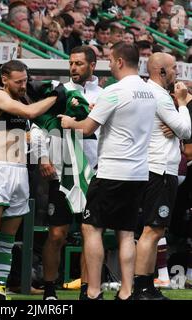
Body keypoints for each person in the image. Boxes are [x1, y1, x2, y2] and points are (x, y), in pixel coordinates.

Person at [58, 42, 157, 300]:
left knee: (91, 228)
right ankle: (126, 292)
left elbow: (87, 129)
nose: (109, 65)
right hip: (137, 174)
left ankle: (92, 291)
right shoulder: (149, 92)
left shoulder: (113, 91)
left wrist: (70, 122)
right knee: (125, 233)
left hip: (111, 171)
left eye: (111, 60)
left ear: (121, 61)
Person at [0, 60, 57, 293]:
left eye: (25, 81)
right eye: (18, 81)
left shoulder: (22, 101)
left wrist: (40, 154)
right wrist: (56, 96)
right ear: (4, 79)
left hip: (20, 173)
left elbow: (36, 129)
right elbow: (30, 112)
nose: (23, 86)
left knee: (7, 241)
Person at [30, 45, 103, 300]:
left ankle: (87, 289)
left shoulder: (105, 95)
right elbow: (39, 126)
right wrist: (42, 156)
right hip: (62, 172)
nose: (73, 68)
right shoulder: (59, 91)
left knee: (89, 233)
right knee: (57, 234)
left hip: (92, 174)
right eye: (71, 63)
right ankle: (50, 290)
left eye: (79, 64)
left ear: (92, 65)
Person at [133, 52, 191, 300]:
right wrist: (182, 103)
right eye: (174, 69)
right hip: (159, 169)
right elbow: (185, 129)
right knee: (152, 230)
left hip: (150, 167)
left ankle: (145, 285)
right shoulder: (161, 96)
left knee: (152, 230)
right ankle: (142, 287)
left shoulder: (146, 93)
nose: (178, 74)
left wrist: (176, 120)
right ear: (162, 71)